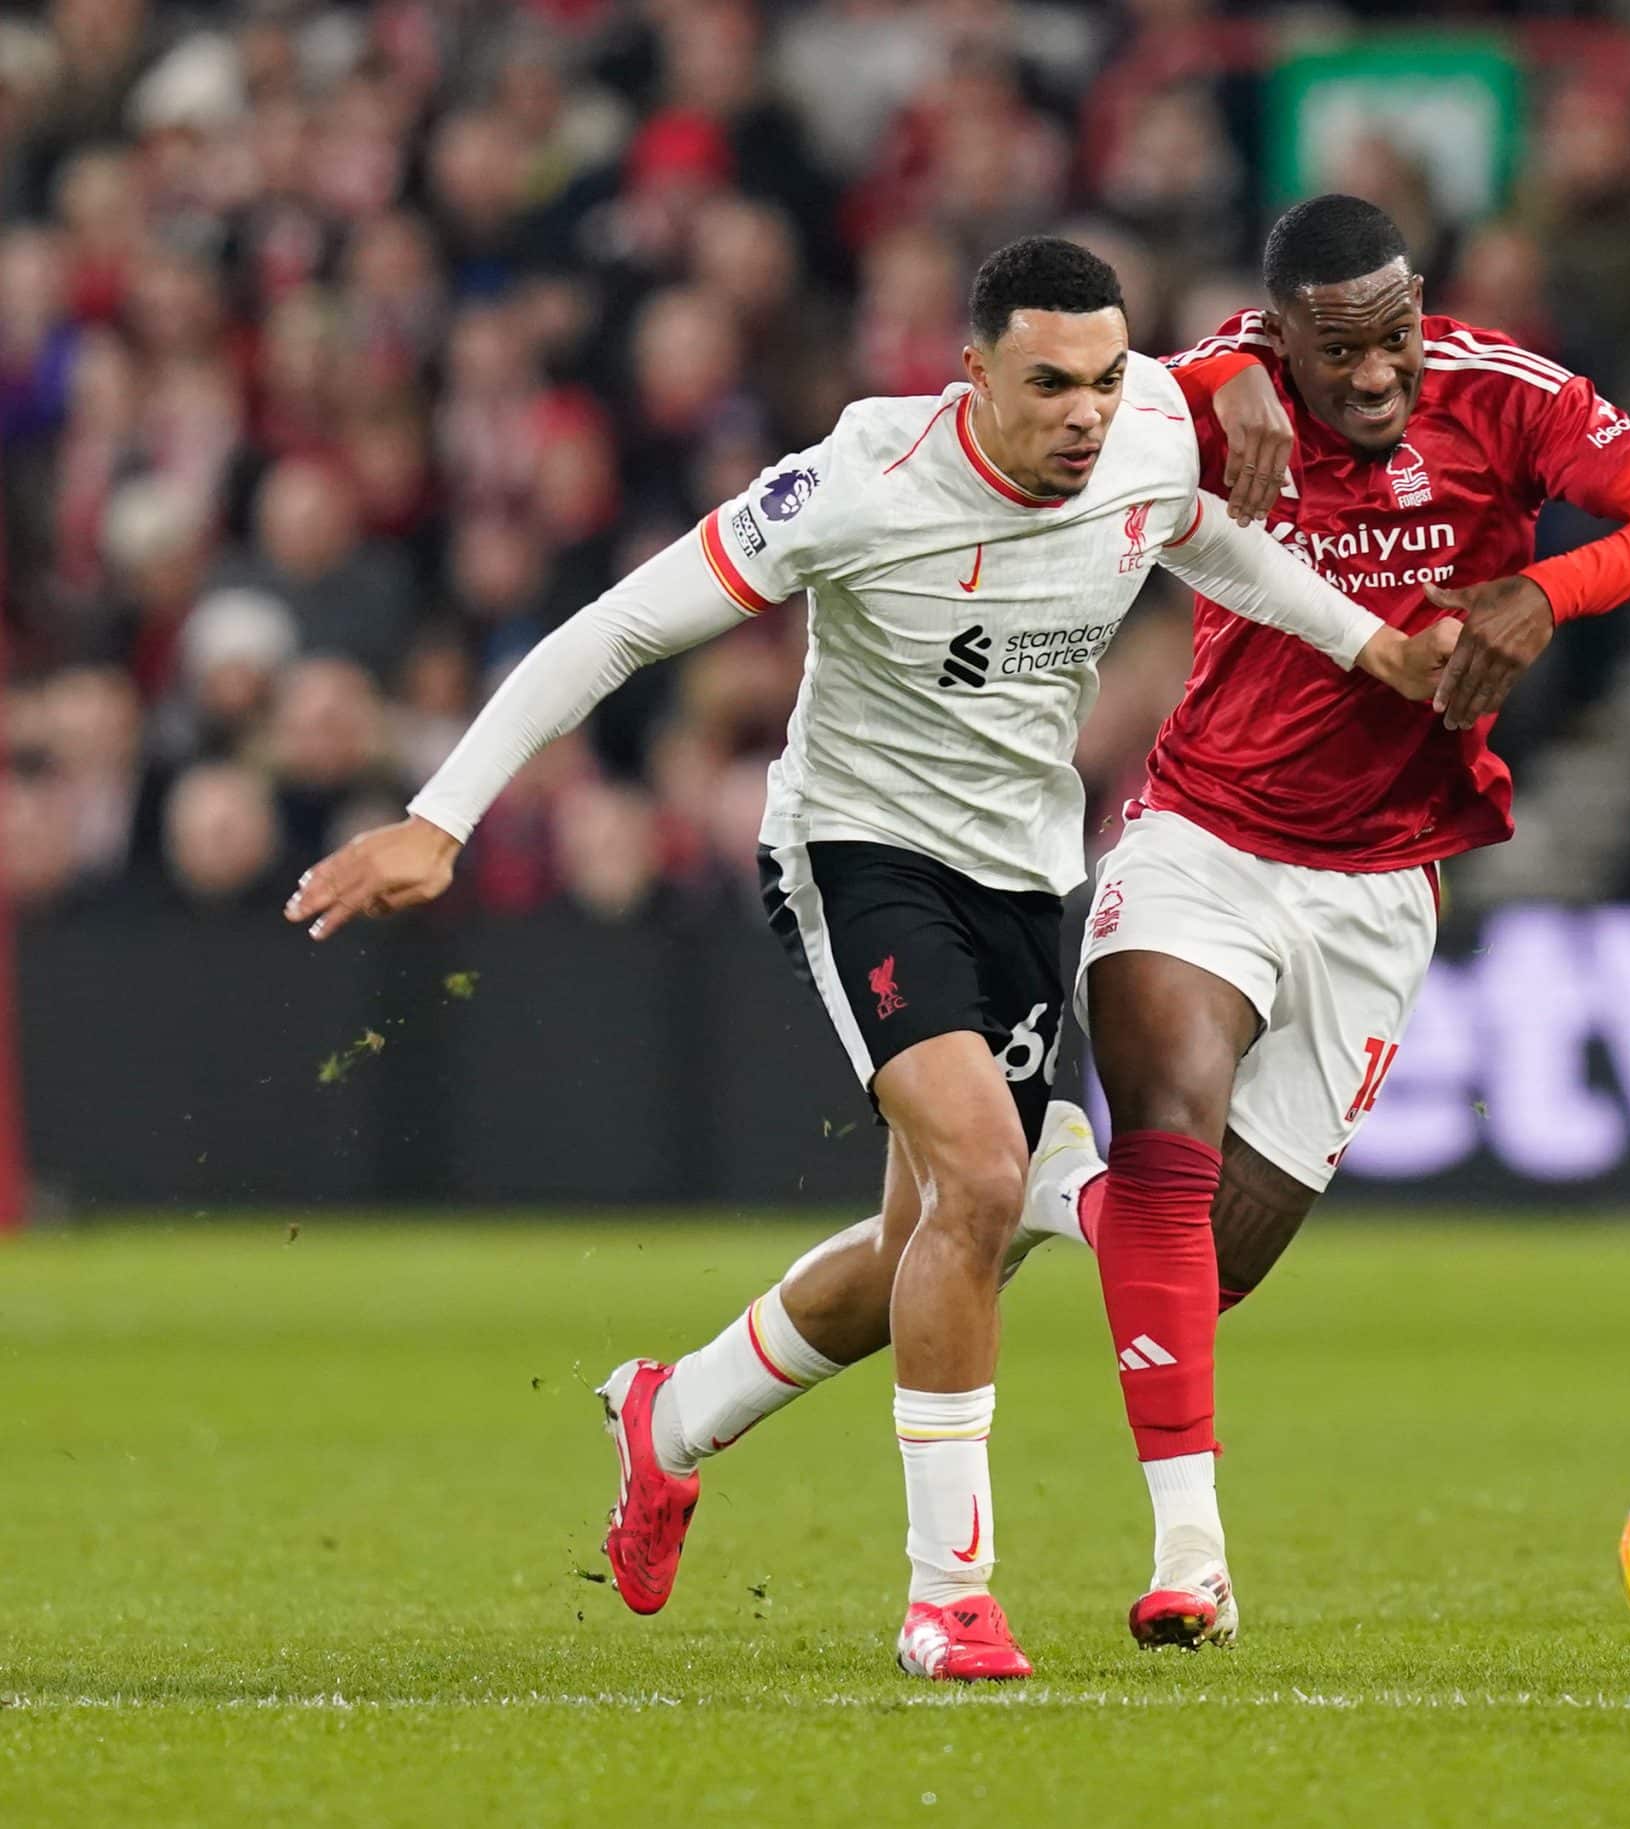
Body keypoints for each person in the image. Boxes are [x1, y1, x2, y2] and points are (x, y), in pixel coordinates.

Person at [280, 236, 1457, 1682]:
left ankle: (672, 1411)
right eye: (1049, 385)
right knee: (981, 1176)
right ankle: (948, 1597)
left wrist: (1368, 645)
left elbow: (1199, 533)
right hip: (863, 858)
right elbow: (617, 629)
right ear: (972, 376)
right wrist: (438, 818)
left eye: (1102, 378)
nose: (1087, 413)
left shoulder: (1148, 429)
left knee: (932, 1244)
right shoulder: (858, 484)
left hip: (1030, 870)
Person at [643, 196, 1630, 1651]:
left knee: (1097, 1248)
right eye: (1336, 347)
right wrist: (1206, 370)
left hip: (1386, 880)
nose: (1374, 375)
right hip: (1200, 840)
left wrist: (1547, 589)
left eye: (1396, 336)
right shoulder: (1197, 394)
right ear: (1284, 337)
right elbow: (1074, 388)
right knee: (1131, 1163)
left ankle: (680, 1409)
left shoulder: (1506, 396)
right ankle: (1188, 1562)